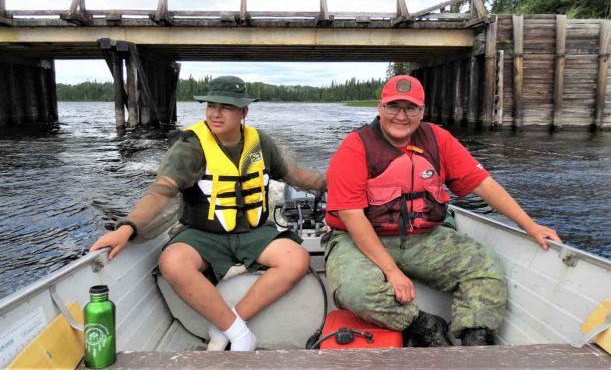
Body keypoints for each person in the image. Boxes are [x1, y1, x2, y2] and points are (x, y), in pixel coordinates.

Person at [90, 76, 326, 352]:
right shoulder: (191, 147)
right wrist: (127, 227)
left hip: (253, 233)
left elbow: (295, 175)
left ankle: (228, 324)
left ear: (243, 112)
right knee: (172, 262)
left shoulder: (260, 143)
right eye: (211, 105)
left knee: (296, 258)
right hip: (204, 234)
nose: (215, 113)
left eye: (225, 106)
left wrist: (331, 184)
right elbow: (161, 191)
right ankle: (239, 334)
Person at [323, 75, 562, 347]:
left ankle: (476, 338)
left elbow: (483, 184)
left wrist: (529, 225)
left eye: (410, 108)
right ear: (380, 107)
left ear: (422, 111)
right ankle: (423, 324)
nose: (401, 116)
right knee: (356, 291)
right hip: (360, 239)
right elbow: (352, 216)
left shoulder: (439, 140)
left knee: (485, 266)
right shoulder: (355, 147)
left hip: (424, 238)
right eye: (393, 107)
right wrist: (391, 271)